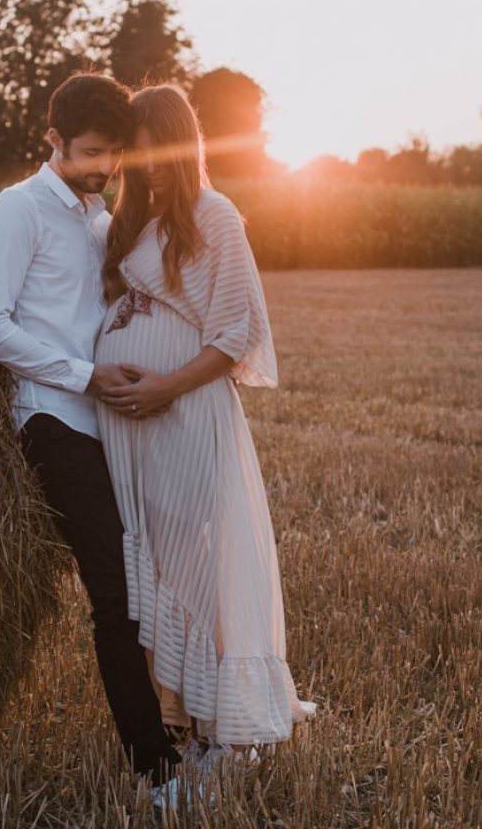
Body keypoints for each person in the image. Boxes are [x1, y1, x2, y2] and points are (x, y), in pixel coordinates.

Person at [0, 73, 184, 798]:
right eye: (90, 151)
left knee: (154, 584)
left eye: (114, 153)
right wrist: (82, 375)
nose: (104, 167)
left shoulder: (96, 218)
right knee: (116, 597)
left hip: (112, 422)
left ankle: (184, 730)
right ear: (51, 138)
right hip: (53, 422)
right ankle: (156, 774)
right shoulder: (17, 211)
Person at [95, 84, 316, 767]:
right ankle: (185, 720)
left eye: (162, 154)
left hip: (187, 417)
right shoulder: (125, 222)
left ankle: (230, 732)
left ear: (186, 147)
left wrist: (164, 384)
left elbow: (237, 331)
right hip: (130, 431)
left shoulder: (214, 215)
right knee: (160, 570)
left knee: (203, 568)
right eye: (139, 154)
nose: (150, 167)